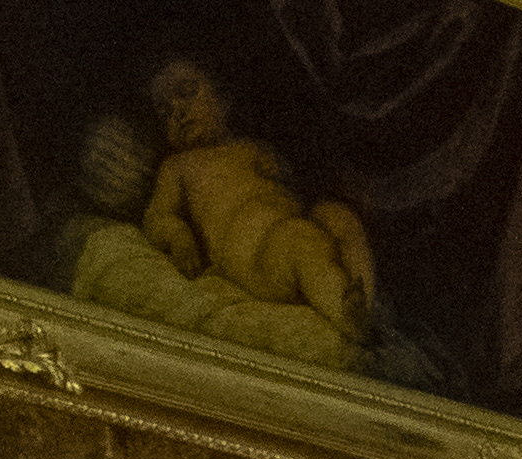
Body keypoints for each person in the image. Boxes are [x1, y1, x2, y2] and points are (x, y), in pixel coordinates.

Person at [140, 53, 381, 340]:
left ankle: (363, 300)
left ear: (223, 101)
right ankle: (346, 315)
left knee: (339, 216)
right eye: (164, 111)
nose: (177, 110)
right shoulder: (180, 167)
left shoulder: (251, 149)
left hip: (294, 229)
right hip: (256, 258)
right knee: (299, 241)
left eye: (186, 93)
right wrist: (178, 233)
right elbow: (156, 217)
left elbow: (293, 188)